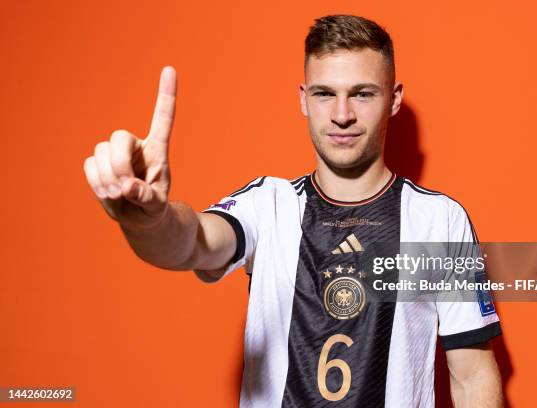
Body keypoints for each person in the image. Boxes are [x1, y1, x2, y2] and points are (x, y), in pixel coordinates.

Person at [83, 14, 502, 408]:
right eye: (325, 94)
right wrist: (150, 219)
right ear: (304, 100)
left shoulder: (438, 220)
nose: (342, 115)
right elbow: (190, 243)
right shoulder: (269, 205)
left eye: (362, 93)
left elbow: (470, 378)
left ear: (393, 100)